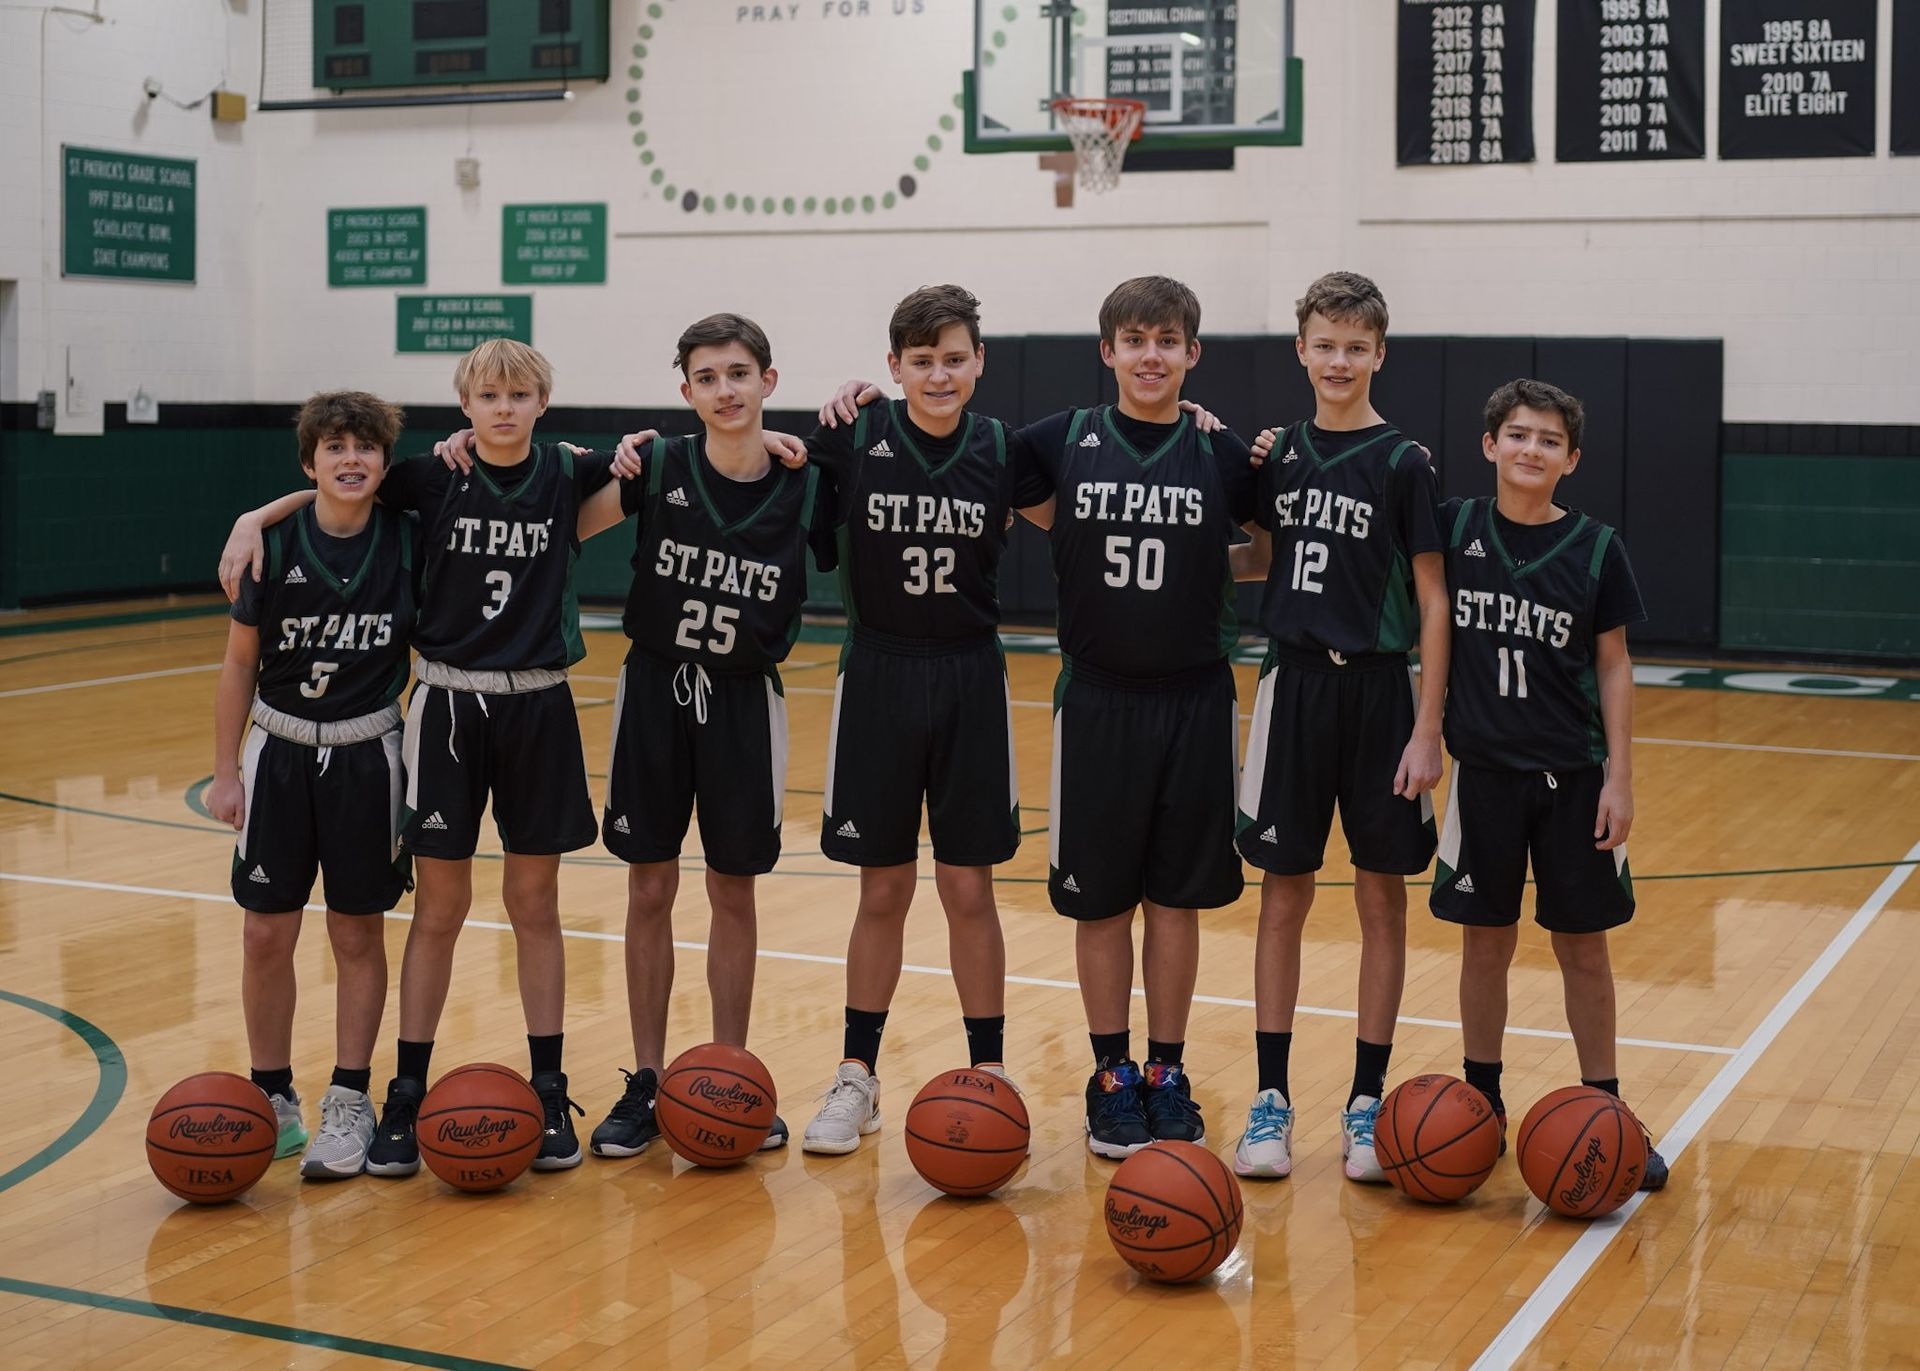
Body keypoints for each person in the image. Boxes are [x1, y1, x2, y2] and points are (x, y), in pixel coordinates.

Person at [218, 340, 615, 1176]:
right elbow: (336, 489)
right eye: (488, 394)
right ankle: (403, 1090)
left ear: (544, 400)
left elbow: (677, 464)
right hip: (444, 702)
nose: (503, 406)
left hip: (538, 698)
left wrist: (791, 441)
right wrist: (254, 516)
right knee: (438, 907)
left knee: (534, 900)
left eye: (519, 393)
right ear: (463, 405)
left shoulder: (573, 473)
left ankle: (547, 1089)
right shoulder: (426, 484)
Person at [1006, 275, 1258, 1159]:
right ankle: (1110, 1072)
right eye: (1134, 339)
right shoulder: (1058, 440)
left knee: (1177, 900)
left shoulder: (1224, 459)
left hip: (1194, 699)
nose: (1151, 355)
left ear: (1193, 354)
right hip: (1099, 702)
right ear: (1107, 350)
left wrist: (1213, 566)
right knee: (1102, 904)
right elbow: (967, 457)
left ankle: (1166, 1068)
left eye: (1168, 340)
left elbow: (1269, 542)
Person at [580, 313, 829, 1159]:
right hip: (654, 690)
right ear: (686, 390)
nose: (726, 389)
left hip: (741, 702)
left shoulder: (805, 479)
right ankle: (648, 1080)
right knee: (648, 890)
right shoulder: (657, 466)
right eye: (708, 377)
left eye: (739, 373)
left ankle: (732, 1072)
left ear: (768, 380)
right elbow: (559, 524)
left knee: (734, 891)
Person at [785, 284, 1025, 1153]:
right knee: (880, 888)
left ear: (978, 364)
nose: (938, 373)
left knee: (969, 887)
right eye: (920, 361)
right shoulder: (853, 435)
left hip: (970, 675)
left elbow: (1098, 485)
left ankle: (989, 1072)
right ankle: (857, 1074)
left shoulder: (1004, 448)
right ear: (893, 368)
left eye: (954, 358)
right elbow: (762, 458)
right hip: (878, 671)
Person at [1234, 271, 1450, 1183]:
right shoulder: (1275, 457)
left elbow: (1435, 601)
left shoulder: (1405, 463)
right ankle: (1271, 1098)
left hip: (1377, 694)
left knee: (1378, 895)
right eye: (1325, 343)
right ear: (1301, 350)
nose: (1338, 360)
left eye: (1356, 346)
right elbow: (1255, 560)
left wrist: (1428, 726)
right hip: (1293, 690)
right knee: (1281, 895)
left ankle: (1367, 1100)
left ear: (1379, 355)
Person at [1432, 377, 1667, 1189]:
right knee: (1484, 943)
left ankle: (1608, 1108)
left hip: (1575, 776)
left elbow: (1615, 663)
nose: (1532, 449)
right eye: (1519, 434)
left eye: (1549, 440)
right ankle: (1480, 1102)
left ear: (1572, 459)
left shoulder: (1598, 547)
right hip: (1482, 775)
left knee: (1584, 950)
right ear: (1490, 444)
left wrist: (1622, 779)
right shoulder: (1455, 528)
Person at [209, 390, 415, 1179]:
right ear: (310, 461)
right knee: (265, 931)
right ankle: (272, 1095)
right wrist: (227, 771)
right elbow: (238, 663)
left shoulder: (409, 539)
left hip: (369, 753)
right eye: (334, 447)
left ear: (385, 464)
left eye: (365, 447)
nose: (351, 459)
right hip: (280, 750)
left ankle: (351, 1097)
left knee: (356, 932)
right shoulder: (271, 543)